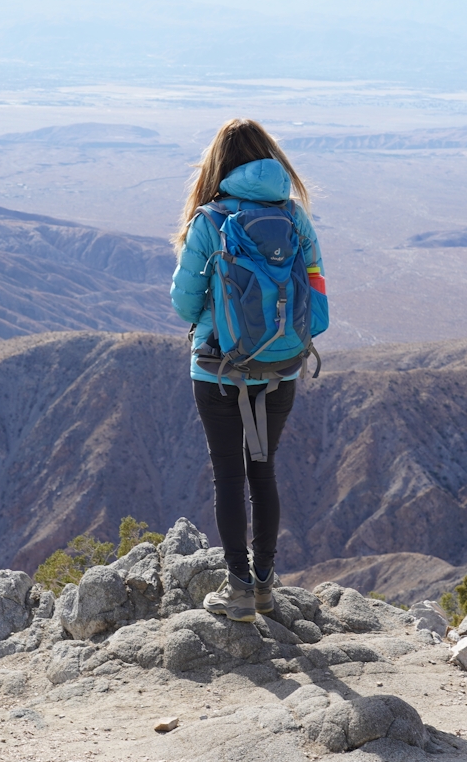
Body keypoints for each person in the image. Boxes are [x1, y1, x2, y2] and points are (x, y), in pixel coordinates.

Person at [169, 118, 325, 622]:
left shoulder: (210, 220)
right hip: (280, 367)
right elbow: (317, 300)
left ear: (219, 164)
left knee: (228, 477)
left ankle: (237, 592)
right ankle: (264, 587)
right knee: (264, 470)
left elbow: (184, 303)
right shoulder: (294, 216)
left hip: (218, 368)